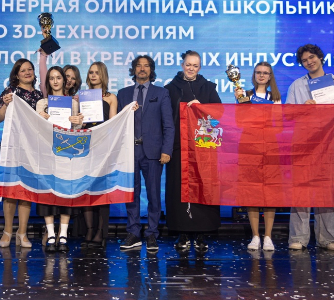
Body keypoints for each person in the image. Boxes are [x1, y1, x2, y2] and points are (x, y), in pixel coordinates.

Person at [286, 44, 334, 251]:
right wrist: (302, 110)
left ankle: (328, 239)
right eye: (304, 60)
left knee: (326, 190)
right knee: (301, 190)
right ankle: (298, 238)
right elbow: (287, 116)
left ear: (320, 58)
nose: (309, 62)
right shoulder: (296, 85)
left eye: (312, 57)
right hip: (304, 145)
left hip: (329, 144)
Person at [165, 50, 221, 252]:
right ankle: (182, 234)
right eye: (188, 65)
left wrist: (202, 108)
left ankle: (201, 235)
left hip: (203, 149)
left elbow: (219, 113)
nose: (191, 68)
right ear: (182, 65)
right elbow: (166, 118)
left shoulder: (209, 87)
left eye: (195, 66)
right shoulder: (170, 88)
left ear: (200, 67)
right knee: (179, 192)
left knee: (202, 189)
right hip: (178, 148)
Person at [117, 55, 174, 252]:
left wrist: (166, 150)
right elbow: (117, 124)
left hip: (153, 152)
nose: (142, 69)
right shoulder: (123, 94)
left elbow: (168, 125)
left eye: (146, 66)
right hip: (129, 152)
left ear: (151, 70)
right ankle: (133, 232)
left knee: (153, 194)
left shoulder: (162, 93)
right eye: (139, 66)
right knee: (131, 194)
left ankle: (151, 233)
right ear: (134, 69)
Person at [0, 58, 44, 249]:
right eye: (23, 70)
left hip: (32, 148)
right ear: (16, 74)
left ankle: (22, 232)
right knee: (10, 189)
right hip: (12, 147)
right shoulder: (10, 92)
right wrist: (5, 105)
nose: (27, 72)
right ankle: (7, 231)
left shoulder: (40, 95)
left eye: (30, 69)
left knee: (26, 189)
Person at [35, 66, 84, 252]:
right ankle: (50, 233)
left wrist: (78, 123)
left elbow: (76, 131)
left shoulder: (73, 103)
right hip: (47, 153)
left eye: (58, 77)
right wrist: (40, 119)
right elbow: (37, 130)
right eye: (52, 78)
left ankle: (63, 234)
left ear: (64, 80)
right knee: (47, 193)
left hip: (66, 152)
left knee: (66, 192)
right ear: (48, 81)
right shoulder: (42, 103)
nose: (55, 81)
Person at [234, 61, 282, 252]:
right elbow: (238, 122)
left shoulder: (275, 98)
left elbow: (279, 125)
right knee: (251, 191)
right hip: (249, 147)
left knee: (270, 193)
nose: (261, 75)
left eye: (265, 73)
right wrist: (239, 103)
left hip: (270, 147)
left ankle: (268, 237)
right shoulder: (244, 95)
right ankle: (255, 236)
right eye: (258, 72)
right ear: (254, 75)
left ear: (270, 77)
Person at [80, 62, 117, 249]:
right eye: (91, 72)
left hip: (103, 148)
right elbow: (78, 124)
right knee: (87, 190)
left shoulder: (111, 97)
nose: (93, 75)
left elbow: (113, 123)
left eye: (97, 72)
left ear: (103, 75)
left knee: (102, 192)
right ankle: (89, 229)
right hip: (86, 146)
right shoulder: (82, 96)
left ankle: (101, 232)